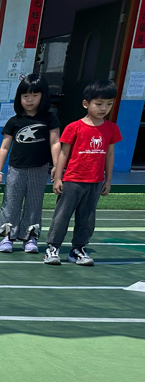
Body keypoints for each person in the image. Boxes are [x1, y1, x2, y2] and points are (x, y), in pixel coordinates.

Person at [44, 79, 121, 266]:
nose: (104, 108)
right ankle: (52, 248)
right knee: (62, 216)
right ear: (86, 104)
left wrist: (108, 180)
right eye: (99, 104)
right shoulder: (74, 127)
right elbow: (64, 153)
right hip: (72, 180)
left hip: (95, 182)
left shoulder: (111, 128)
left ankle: (78, 249)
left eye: (109, 104)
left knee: (87, 219)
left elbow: (110, 154)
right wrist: (58, 178)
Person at [0, 74, 60, 254]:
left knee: (34, 203)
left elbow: (55, 143)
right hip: (16, 169)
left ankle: (30, 237)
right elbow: (4, 147)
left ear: (43, 96)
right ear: (19, 98)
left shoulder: (50, 119)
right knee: (11, 202)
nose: (29, 100)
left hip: (40, 168)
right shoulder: (14, 121)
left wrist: (57, 167)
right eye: (25, 96)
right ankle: (8, 236)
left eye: (34, 95)